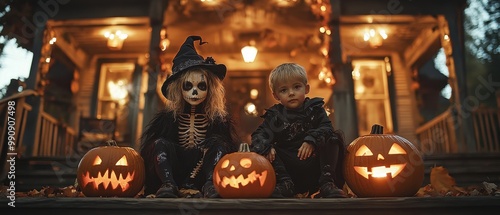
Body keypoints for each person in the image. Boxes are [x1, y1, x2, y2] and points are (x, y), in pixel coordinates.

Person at [139, 36, 239, 198]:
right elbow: (150, 150)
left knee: (220, 143)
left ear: (210, 89)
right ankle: (168, 184)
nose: (194, 92)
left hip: (203, 169)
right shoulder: (167, 118)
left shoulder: (218, 119)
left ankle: (210, 183)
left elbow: (230, 150)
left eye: (201, 86)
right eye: (188, 86)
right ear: (179, 89)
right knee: (158, 143)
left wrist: (213, 144)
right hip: (175, 167)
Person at [250, 62, 346, 198]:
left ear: (306, 88)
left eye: (296, 87)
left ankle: (326, 183)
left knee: (333, 138)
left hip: (313, 165)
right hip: (289, 167)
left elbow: (326, 127)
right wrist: (266, 146)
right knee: (264, 148)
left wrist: (311, 140)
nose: (291, 93)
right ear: (276, 96)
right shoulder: (275, 116)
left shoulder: (316, 110)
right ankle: (285, 184)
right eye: (284, 90)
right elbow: (259, 135)